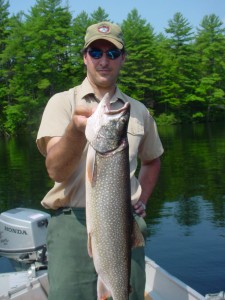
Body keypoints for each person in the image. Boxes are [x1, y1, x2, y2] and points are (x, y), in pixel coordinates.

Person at [36, 21, 164, 300]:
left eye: (112, 53)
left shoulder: (138, 110)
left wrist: (143, 199)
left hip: (123, 222)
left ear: (122, 59)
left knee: (124, 293)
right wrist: (75, 130)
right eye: (96, 53)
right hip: (71, 225)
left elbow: (152, 160)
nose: (104, 60)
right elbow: (55, 170)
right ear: (85, 57)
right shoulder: (62, 102)